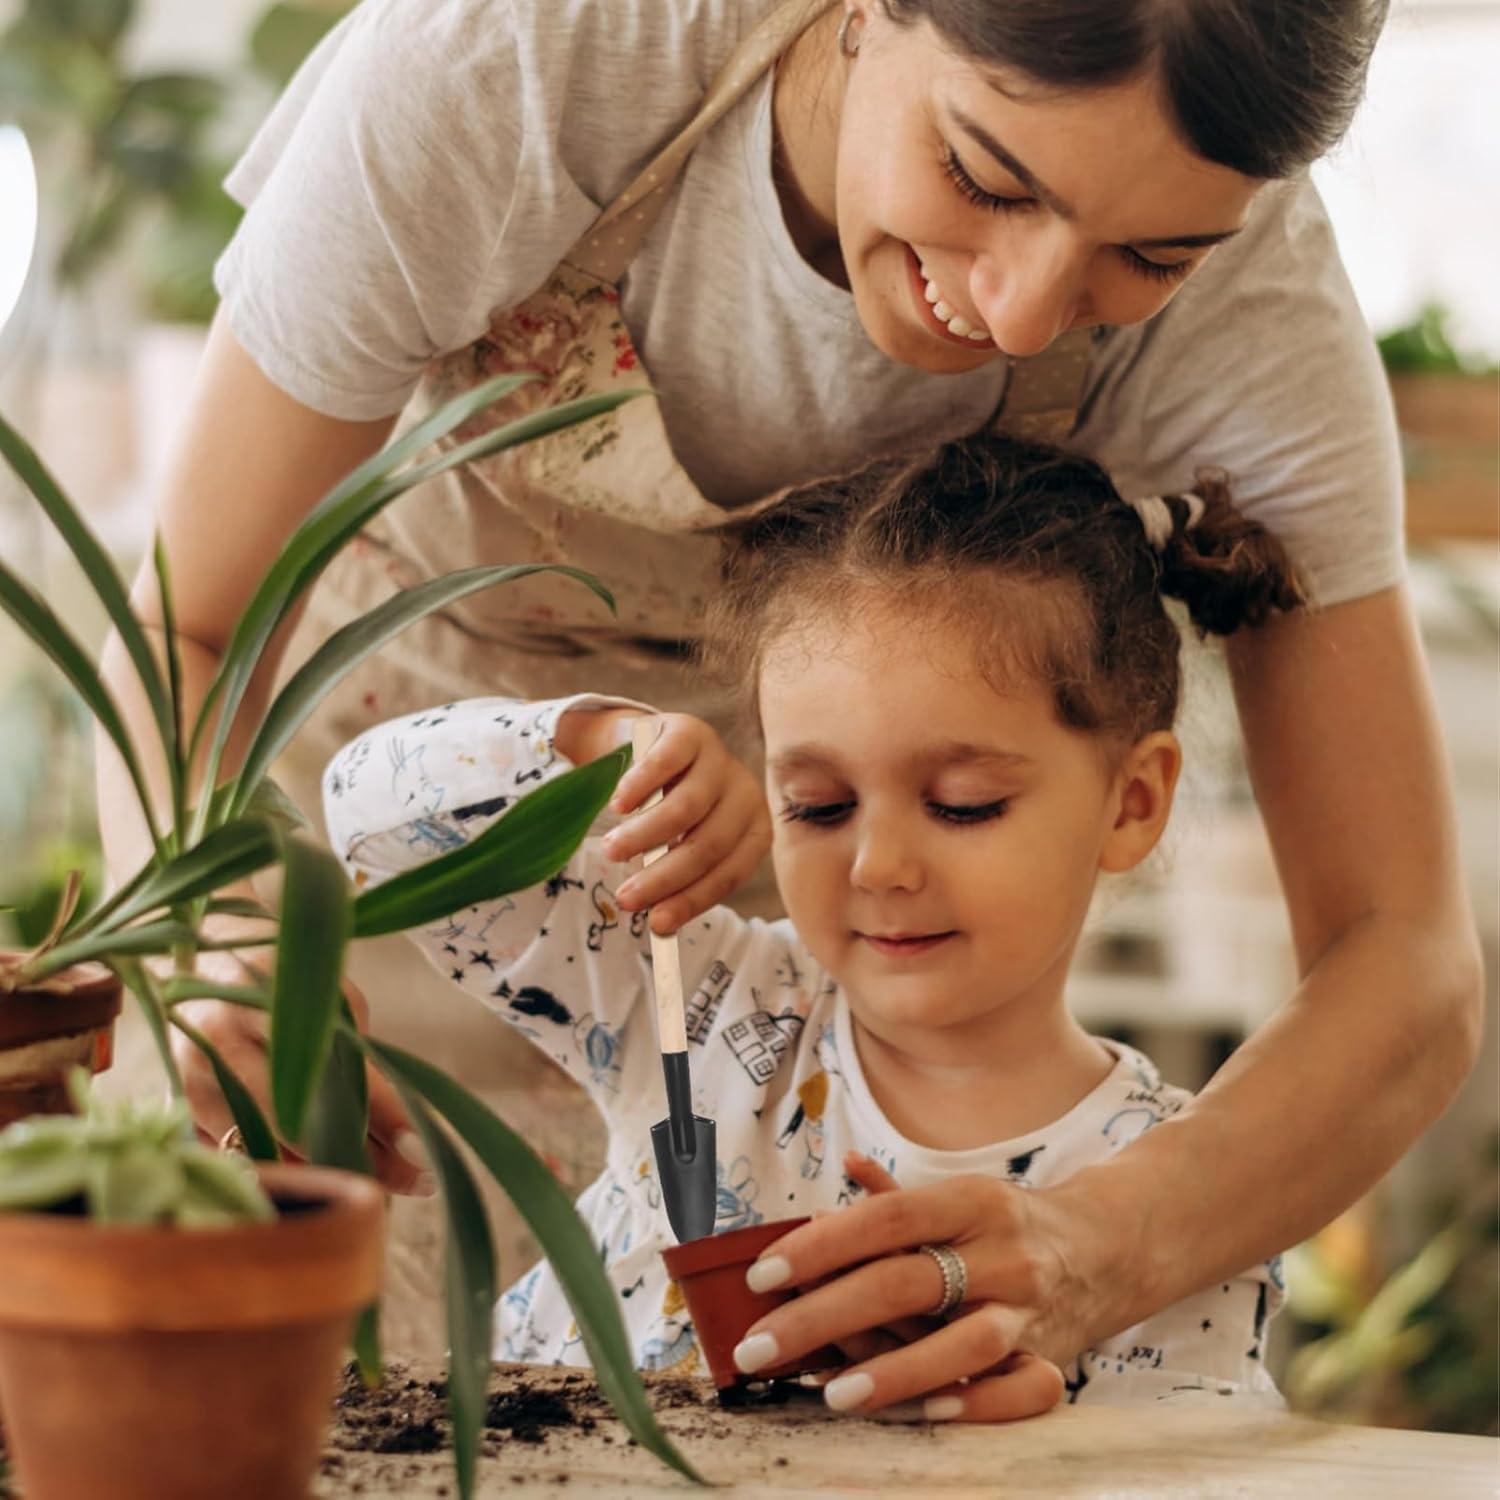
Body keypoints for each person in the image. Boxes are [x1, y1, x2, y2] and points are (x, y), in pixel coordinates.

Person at [97, 0, 1481, 1368]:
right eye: (983, 177)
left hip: (767, 896)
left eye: (1150, 257)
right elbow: (193, 629)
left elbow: (1402, 954)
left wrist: (1095, 1245)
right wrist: (228, 944)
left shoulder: (1257, 312)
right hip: (361, 823)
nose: (1021, 308)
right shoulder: (512, 65)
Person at [323, 437, 1306, 1414]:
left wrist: (1036, 1430)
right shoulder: (692, 1002)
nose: (878, 867)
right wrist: (598, 742)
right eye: (821, 807)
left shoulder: (1183, 1197)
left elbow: (1194, 1460)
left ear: (1132, 803)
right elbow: (370, 821)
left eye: (962, 805)